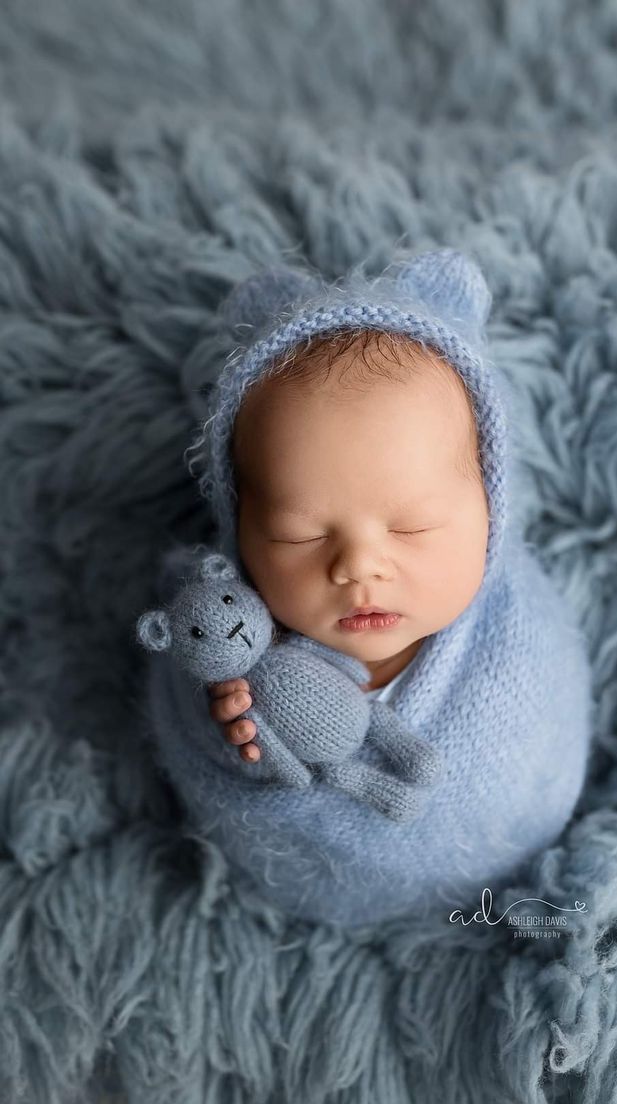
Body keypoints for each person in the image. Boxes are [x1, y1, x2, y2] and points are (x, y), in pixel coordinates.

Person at [147, 247, 594, 927]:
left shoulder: (517, 649)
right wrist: (234, 735)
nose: (358, 567)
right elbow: (196, 729)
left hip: (490, 895)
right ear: (239, 528)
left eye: (412, 527)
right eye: (299, 535)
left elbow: (537, 749)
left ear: (493, 512)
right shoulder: (222, 632)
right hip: (285, 899)